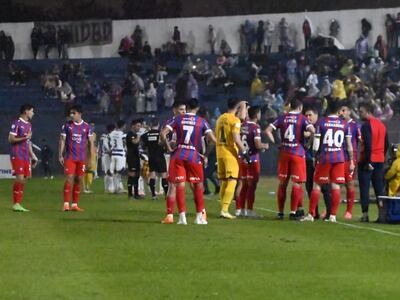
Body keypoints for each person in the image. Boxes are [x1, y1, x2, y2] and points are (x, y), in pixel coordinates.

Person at [161, 98, 216, 225]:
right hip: (194, 156)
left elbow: (163, 134)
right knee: (198, 185)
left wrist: (169, 148)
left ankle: (182, 218)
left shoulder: (177, 119)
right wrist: (205, 154)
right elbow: (213, 140)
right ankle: (199, 217)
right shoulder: (201, 121)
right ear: (197, 108)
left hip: (178, 155)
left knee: (179, 185)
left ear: (187, 107)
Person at [301, 100, 354, 223]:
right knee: (336, 185)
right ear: (338, 110)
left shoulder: (322, 122)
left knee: (317, 185)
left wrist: (314, 156)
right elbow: (349, 145)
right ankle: (333, 216)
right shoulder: (345, 124)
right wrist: (351, 160)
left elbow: (316, 142)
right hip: (340, 158)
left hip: (325, 157)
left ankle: (310, 214)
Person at [265, 99, 315, 220]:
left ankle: (280, 212)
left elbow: (267, 130)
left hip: (284, 152)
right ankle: (292, 212)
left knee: (283, 183)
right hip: (297, 153)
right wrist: (308, 143)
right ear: (300, 107)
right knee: (297, 183)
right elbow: (313, 130)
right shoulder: (302, 118)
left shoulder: (282, 117)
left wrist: (276, 142)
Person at [215, 98, 248, 219]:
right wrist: (244, 151)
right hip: (230, 153)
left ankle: (223, 208)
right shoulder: (235, 120)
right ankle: (224, 210)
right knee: (232, 180)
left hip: (219, 152)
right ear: (238, 108)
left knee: (224, 180)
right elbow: (235, 137)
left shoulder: (220, 118)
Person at [59, 105, 94, 212]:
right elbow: (62, 140)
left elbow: (90, 143)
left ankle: (74, 204)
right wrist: (60, 154)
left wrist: (90, 158)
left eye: (73, 113)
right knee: (69, 178)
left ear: (79, 113)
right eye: (71, 113)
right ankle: (66, 204)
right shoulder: (67, 126)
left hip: (81, 158)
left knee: (78, 180)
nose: (71, 115)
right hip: (70, 157)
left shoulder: (87, 127)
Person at [358, 102, 389, 222]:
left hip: (368, 161)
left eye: (361, 112)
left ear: (368, 112)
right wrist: (381, 155)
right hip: (379, 160)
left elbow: (369, 145)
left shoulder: (366, 125)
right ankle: (382, 215)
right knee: (379, 189)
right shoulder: (382, 125)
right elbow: (386, 143)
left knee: (365, 189)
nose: (360, 114)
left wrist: (368, 161)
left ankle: (365, 215)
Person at [236, 106, 269, 217]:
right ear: (256, 115)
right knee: (252, 185)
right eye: (259, 113)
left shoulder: (242, 125)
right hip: (252, 160)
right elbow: (258, 145)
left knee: (243, 184)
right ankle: (249, 211)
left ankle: (239, 209)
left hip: (242, 158)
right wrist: (265, 145)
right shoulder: (255, 127)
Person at [8, 104, 38, 212]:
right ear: (26, 111)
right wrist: (25, 137)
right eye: (32, 111)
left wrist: (33, 155)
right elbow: (11, 139)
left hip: (25, 155)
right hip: (17, 154)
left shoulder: (29, 125)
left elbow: (28, 142)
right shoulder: (17, 123)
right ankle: (15, 203)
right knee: (20, 178)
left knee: (24, 179)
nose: (33, 113)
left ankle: (18, 204)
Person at [160, 101, 186, 224]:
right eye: (181, 109)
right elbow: (161, 140)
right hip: (178, 157)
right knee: (174, 185)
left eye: (185, 110)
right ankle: (170, 215)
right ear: (174, 110)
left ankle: (201, 213)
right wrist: (168, 146)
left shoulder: (183, 122)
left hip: (187, 157)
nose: (184, 112)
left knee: (194, 184)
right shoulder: (171, 123)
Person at [340, 102, 361, 220]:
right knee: (334, 183)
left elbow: (361, 140)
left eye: (344, 110)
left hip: (349, 157)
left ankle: (349, 211)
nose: (341, 113)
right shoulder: (338, 123)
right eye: (340, 110)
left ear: (349, 112)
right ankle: (329, 210)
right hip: (338, 156)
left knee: (349, 183)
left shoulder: (355, 125)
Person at [141, 119, 169, 200]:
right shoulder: (161, 134)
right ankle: (166, 195)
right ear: (158, 125)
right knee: (164, 175)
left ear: (150, 124)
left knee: (152, 175)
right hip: (160, 156)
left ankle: (153, 195)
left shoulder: (145, 135)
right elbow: (165, 145)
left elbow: (143, 146)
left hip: (151, 157)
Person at [126, 119, 143, 199]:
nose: (139, 128)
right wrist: (139, 136)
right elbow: (135, 142)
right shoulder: (130, 134)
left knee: (137, 175)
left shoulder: (135, 134)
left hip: (136, 157)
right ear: (133, 126)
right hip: (131, 157)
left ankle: (136, 194)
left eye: (140, 126)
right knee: (131, 175)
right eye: (138, 126)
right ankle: (130, 194)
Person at [109, 120, 127, 194]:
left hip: (113, 153)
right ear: (123, 126)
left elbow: (110, 143)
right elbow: (125, 144)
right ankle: (117, 189)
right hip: (120, 154)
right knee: (119, 172)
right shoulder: (123, 134)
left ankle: (116, 188)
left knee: (115, 172)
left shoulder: (111, 133)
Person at [84, 121, 98, 193]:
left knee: (90, 170)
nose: (92, 127)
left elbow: (94, 144)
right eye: (91, 126)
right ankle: (84, 187)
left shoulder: (94, 134)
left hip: (92, 154)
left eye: (93, 126)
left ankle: (88, 187)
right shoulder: (84, 134)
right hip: (85, 154)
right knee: (84, 170)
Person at [100, 124, 115, 193]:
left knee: (109, 171)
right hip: (107, 155)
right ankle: (109, 188)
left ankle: (108, 188)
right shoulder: (106, 136)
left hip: (109, 155)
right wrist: (110, 151)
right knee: (109, 172)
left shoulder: (107, 136)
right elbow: (105, 145)